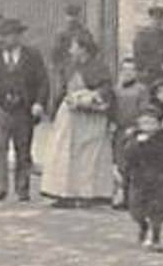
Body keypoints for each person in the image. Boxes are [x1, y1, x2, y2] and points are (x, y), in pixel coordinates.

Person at [0, 18, 50, 202]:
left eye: (11, 36)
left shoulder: (32, 55)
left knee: (23, 149)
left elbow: (43, 82)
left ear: (19, 37)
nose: (7, 40)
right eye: (4, 36)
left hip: (23, 109)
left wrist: (39, 103)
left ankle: (22, 187)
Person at [41, 35, 116, 207]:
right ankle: (65, 193)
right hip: (69, 116)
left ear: (84, 49)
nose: (70, 50)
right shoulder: (70, 67)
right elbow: (62, 90)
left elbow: (106, 90)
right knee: (65, 153)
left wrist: (90, 98)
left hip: (89, 119)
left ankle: (87, 194)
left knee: (87, 157)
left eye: (74, 47)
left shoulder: (99, 68)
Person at [120, 106, 163, 252]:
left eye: (151, 123)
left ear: (158, 124)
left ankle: (155, 236)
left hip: (160, 179)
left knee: (157, 210)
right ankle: (143, 226)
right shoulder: (132, 138)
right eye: (144, 123)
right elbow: (127, 157)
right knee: (137, 210)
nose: (147, 126)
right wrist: (137, 143)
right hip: (138, 179)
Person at [111, 57, 150, 210]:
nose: (128, 73)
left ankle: (133, 198)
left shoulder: (141, 89)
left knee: (133, 165)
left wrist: (136, 127)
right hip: (119, 130)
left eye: (131, 70)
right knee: (119, 164)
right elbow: (112, 109)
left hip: (134, 130)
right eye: (125, 69)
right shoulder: (116, 89)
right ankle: (120, 195)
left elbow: (144, 110)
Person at [132, 5, 163, 86]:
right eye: (155, 19)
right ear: (150, 19)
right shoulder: (141, 37)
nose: (158, 22)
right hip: (147, 78)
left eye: (160, 19)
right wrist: (160, 66)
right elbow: (140, 58)